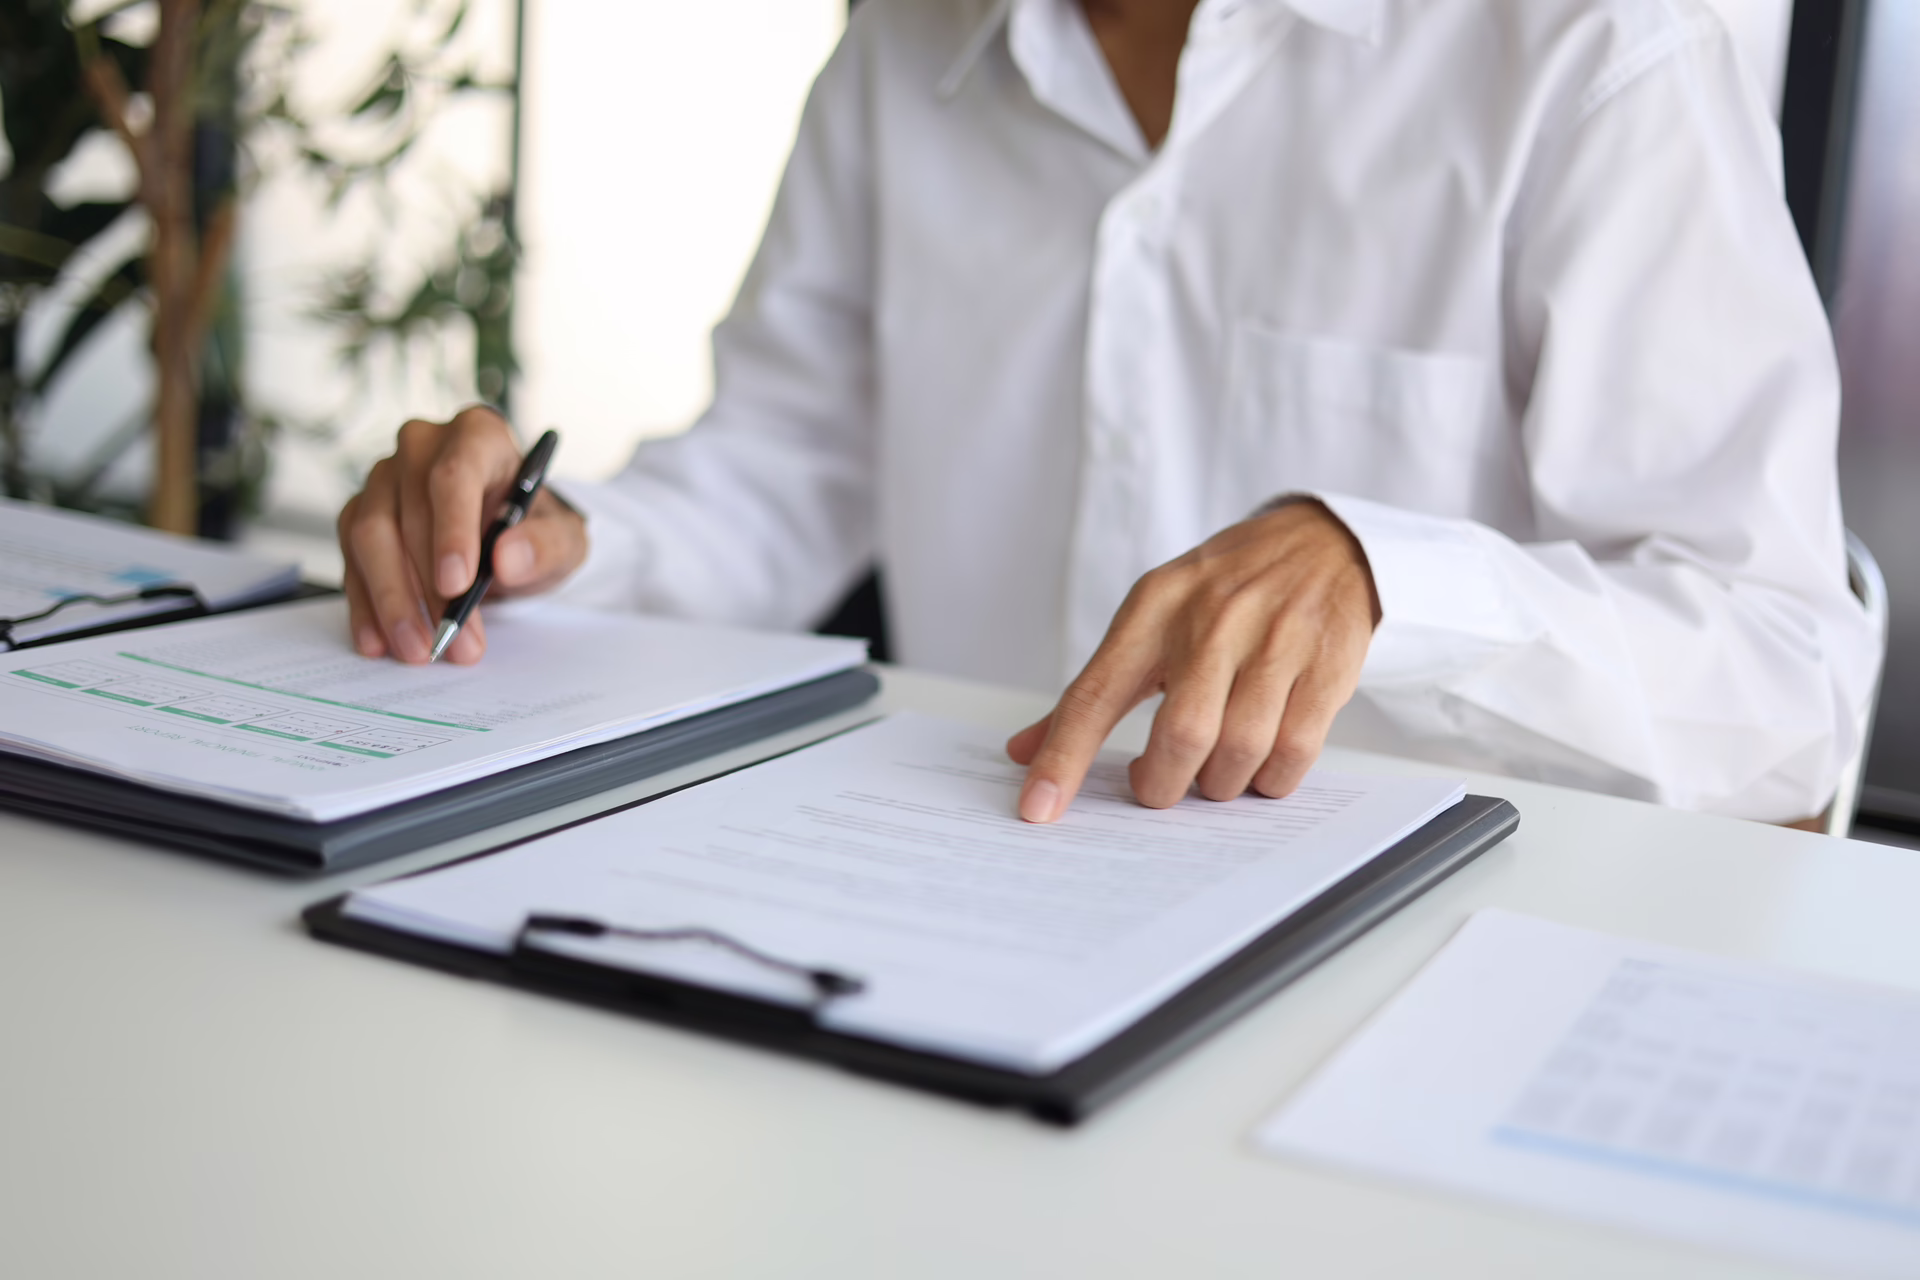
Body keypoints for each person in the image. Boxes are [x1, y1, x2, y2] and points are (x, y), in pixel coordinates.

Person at [336, 0, 1881, 827]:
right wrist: (551, 547)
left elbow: (1782, 683)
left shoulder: (1592, 50)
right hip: (971, 910)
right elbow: (782, 473)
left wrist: (1390, 580)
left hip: (1435, 988)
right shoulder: (902, 46)